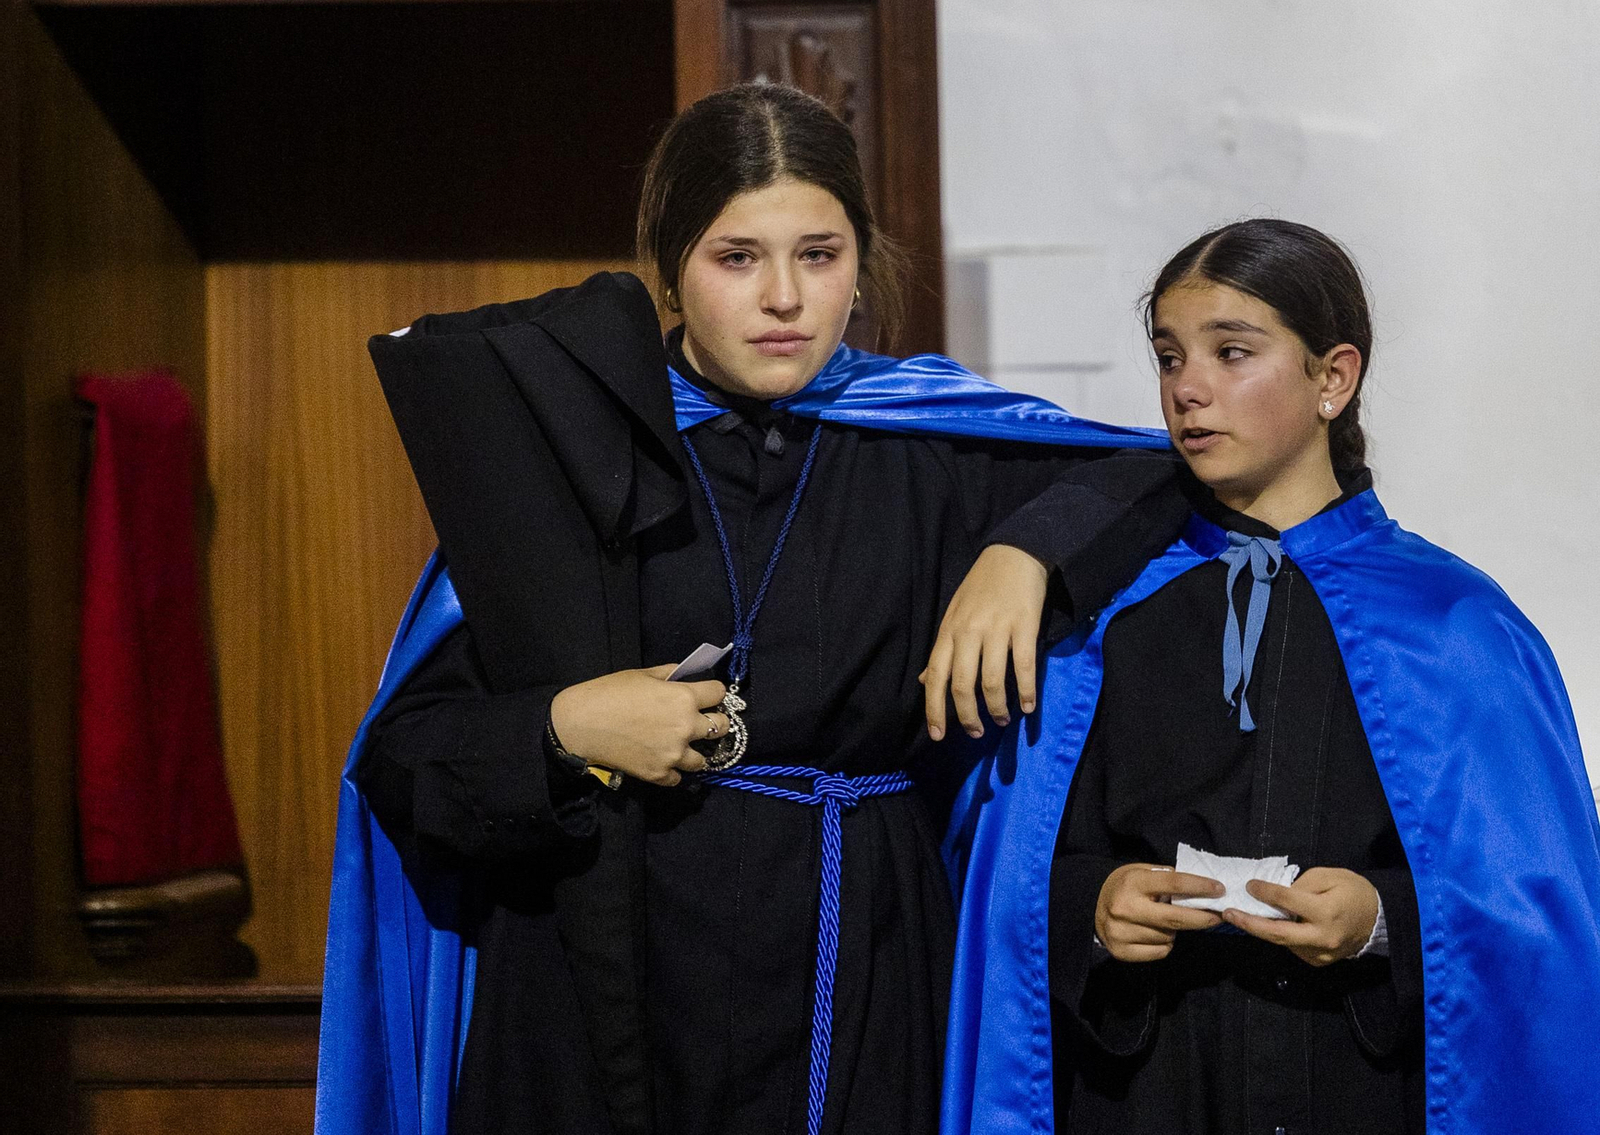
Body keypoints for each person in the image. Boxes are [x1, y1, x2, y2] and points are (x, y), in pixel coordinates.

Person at [314, 83, 1189, 1135]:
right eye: (737, 258)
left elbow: (1159, 476)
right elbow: (407, 757)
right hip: (606, 968)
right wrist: (563, 728)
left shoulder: (932, 440)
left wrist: (1023, 551)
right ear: (670, 269)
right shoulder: (569, 452)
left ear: (860, 261)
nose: (784, 297)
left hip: (860, 966)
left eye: (819, 255)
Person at [941, 218, 1600, 1135]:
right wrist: (1089, 907)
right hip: (1145, 1085)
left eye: (1232, 352)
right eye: (1169, 357)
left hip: (1358, 1082)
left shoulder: (1454, 625)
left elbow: (1540, 907)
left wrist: (1379, 917)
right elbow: (995, 865)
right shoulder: (1097, 621)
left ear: (1334, 378)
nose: (1188, 389)